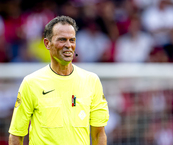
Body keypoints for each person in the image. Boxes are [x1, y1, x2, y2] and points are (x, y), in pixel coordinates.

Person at [8, 15, 109, 145]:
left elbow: (98, 133)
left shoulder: (91, 81)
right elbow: (16, 135)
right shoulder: (31, 83)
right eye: (62, 40)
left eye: (72, 40)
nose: (68, 45)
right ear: (47, 43)